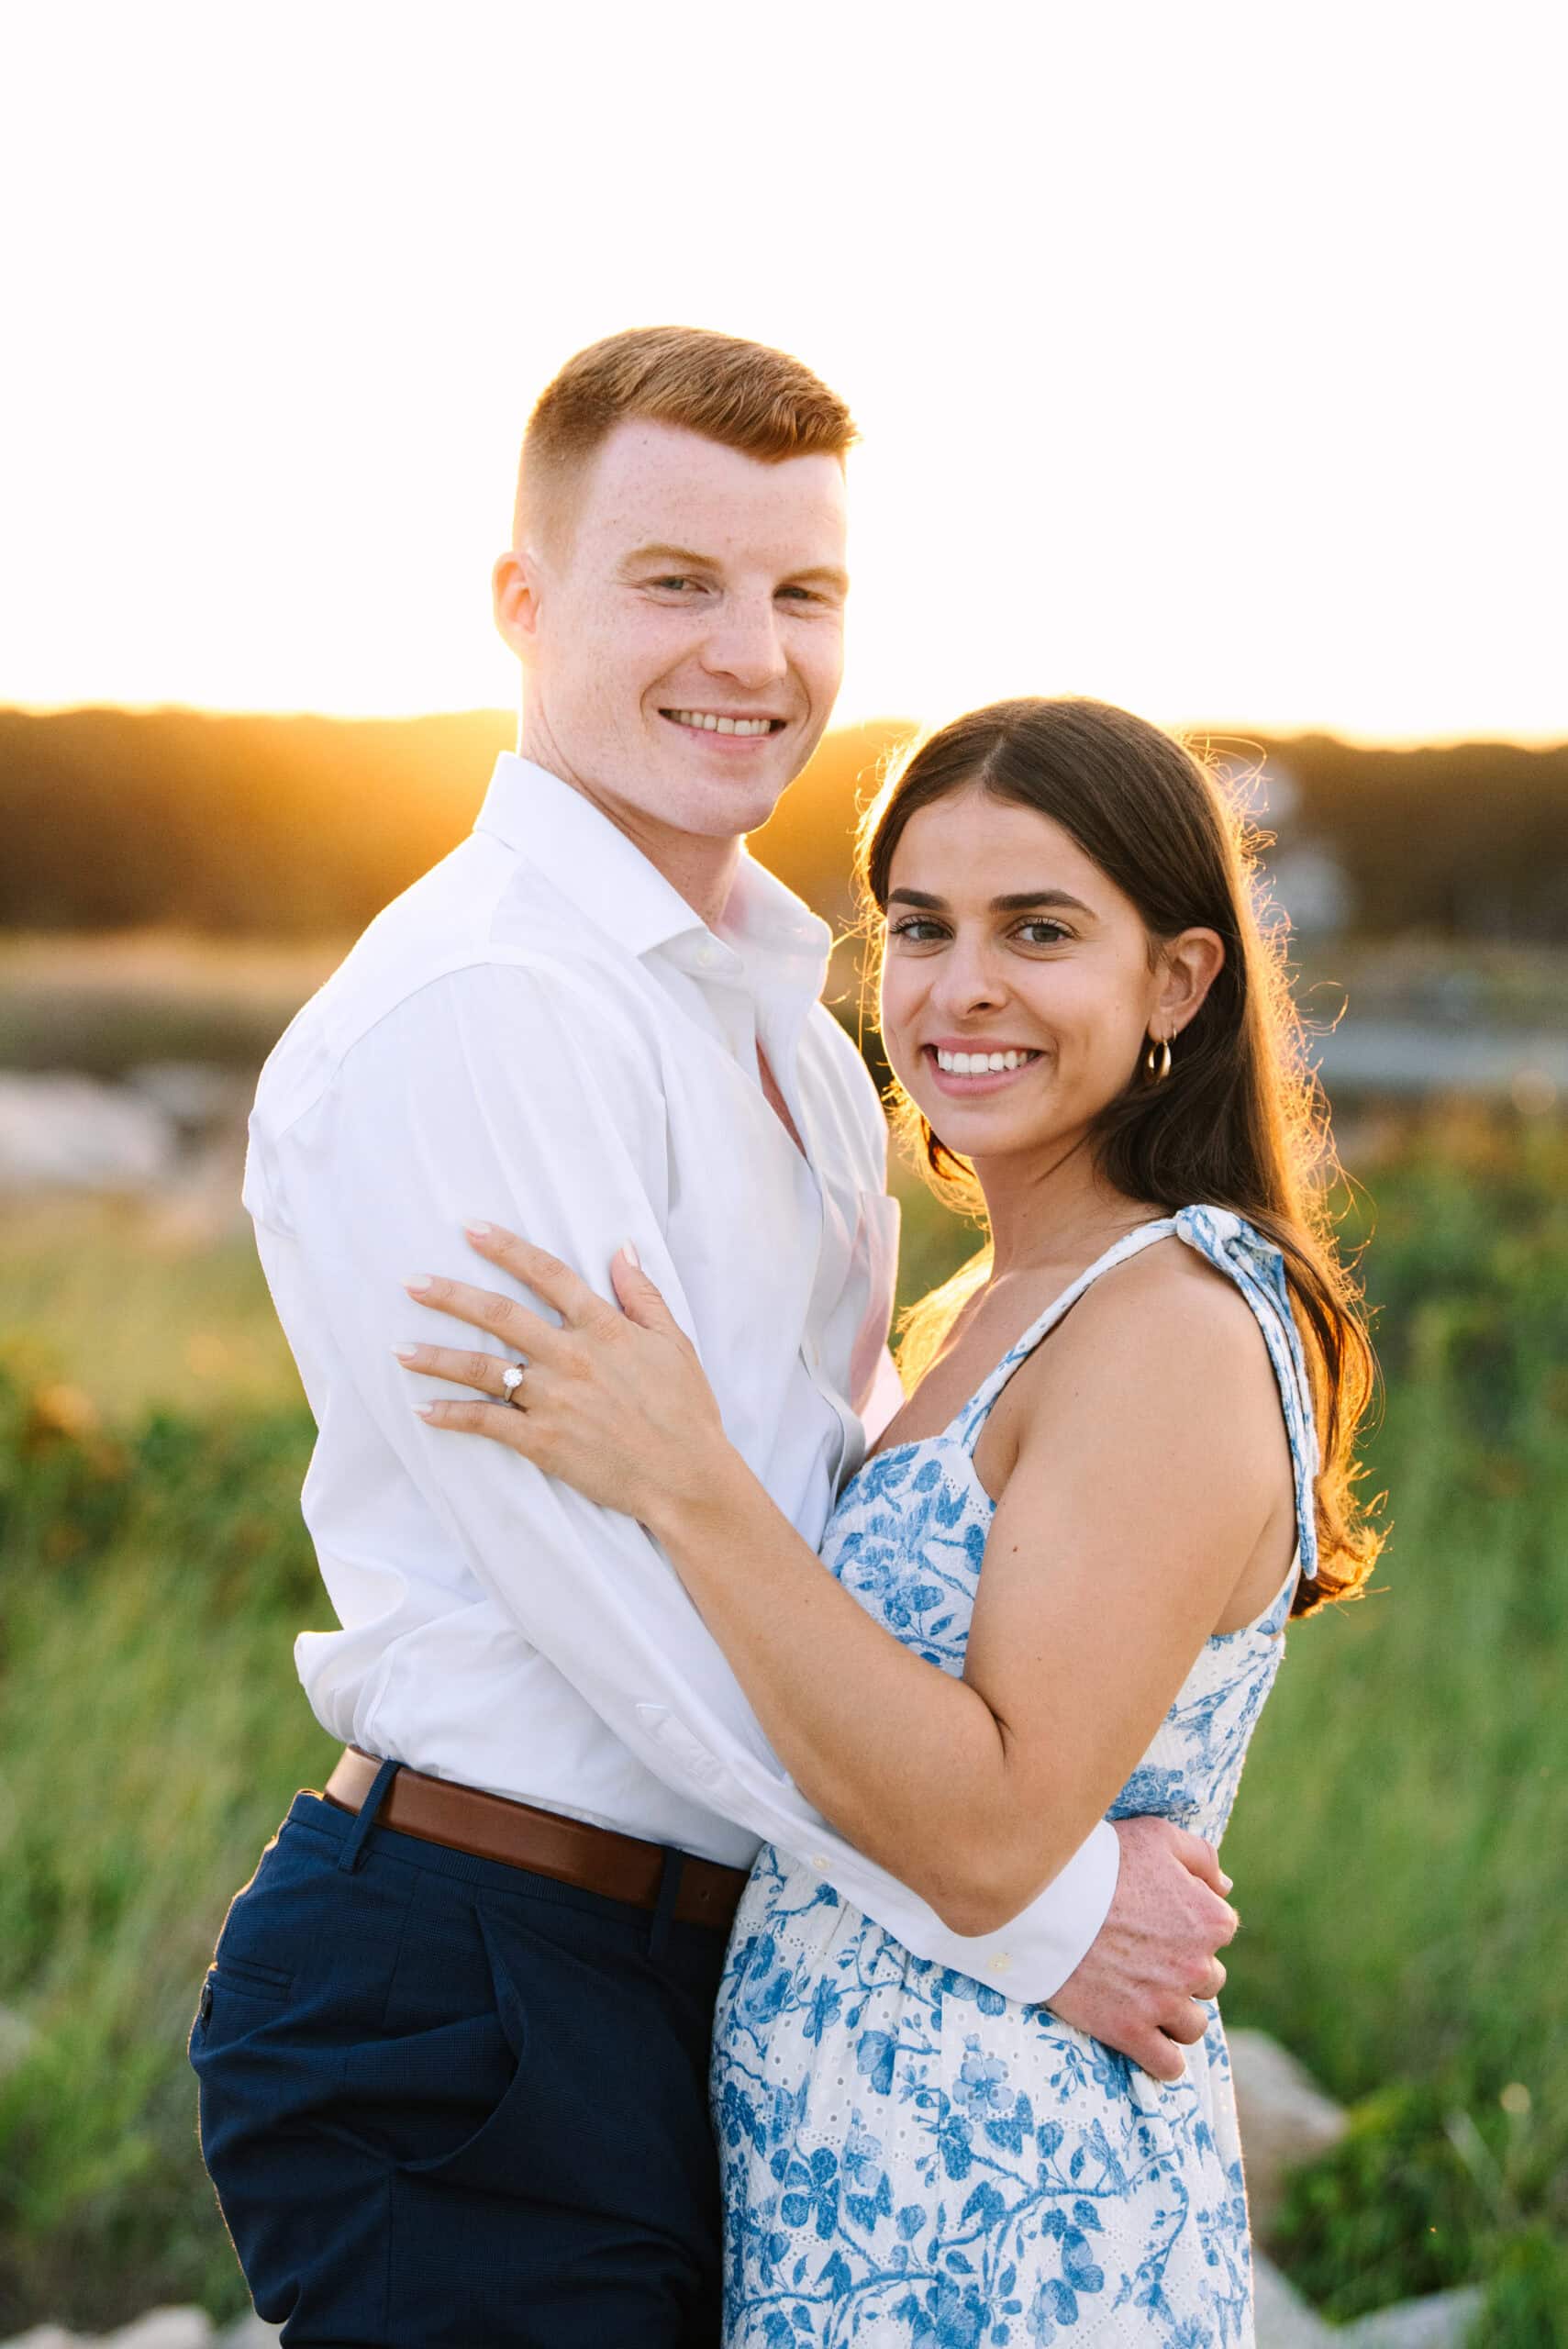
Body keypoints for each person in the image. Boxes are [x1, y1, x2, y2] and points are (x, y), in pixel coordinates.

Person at [191, 331, 1238, 2349]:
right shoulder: (489, 1011)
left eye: (803, 591)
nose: (748, 651)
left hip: (708, 1957)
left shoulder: (778, 1013)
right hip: (480, 1975)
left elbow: (796, 1518)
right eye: (676, 581)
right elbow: (616, 1602)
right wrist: (1029, 1909)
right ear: (525, 603)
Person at [397, 695, 1383, 2343]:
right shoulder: (975, 1311)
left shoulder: (1169, 1324)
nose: (960, 987)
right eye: (919, 928)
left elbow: (995, 1832)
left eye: (1039, 929)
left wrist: (684, 1478)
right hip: (854, 2189)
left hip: (1011, 2217)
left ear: (1178, 981)